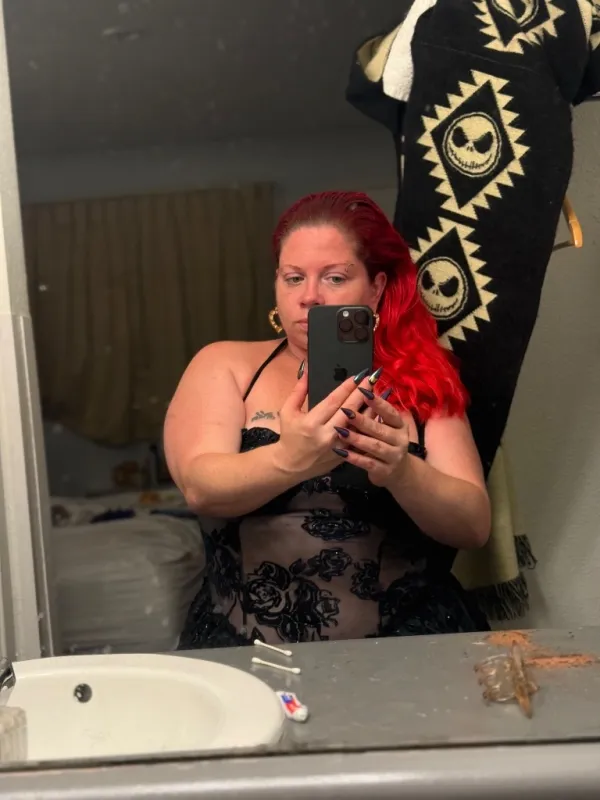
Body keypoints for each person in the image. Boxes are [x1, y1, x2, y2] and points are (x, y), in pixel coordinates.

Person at [164, 191, 491, 649]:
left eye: (335, 277)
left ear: (375, 289)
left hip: (414, 647)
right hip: (244, 652)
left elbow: (473, 527)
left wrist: (402, 471)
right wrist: (289, 458)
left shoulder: (423, 380)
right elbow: (200, 487)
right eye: (293, 278)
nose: (309, 297)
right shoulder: (226, 366)